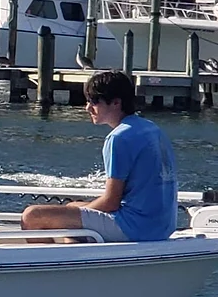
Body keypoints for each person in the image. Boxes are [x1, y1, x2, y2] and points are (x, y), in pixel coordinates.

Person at [19, 70, 177, 242]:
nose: (88, 107)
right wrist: (76, 212)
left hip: (134, 227)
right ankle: (78, 259)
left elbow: (111, 202)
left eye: (94, 101)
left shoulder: (119, 138)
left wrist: (77, 215)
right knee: (71, 208)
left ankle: (51, 267)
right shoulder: (151, 128)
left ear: (116, 102)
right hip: (162, 225)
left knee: (32, 216)